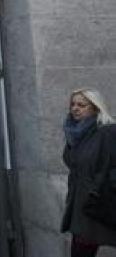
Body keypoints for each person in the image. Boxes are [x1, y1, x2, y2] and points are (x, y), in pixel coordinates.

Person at [61, 88, 116, 257]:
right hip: (82, 205)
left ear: (95, 107)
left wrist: (100, 189)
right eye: (73, 104)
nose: (75, 108)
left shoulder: (107, 132)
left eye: (81, 105)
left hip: (99, 202)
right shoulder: (75, 134)